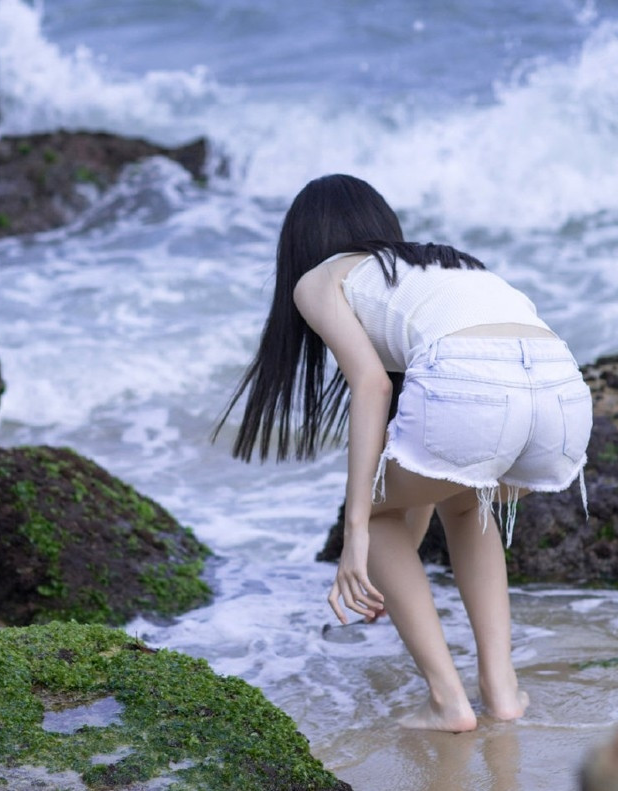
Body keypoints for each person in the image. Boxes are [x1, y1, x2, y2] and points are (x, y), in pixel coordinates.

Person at [214, 174, 593, 733]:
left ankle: (448, 702)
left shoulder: (319, 279)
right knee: (466, 503)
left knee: (379, 514)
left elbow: (373, 385)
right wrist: (394, 566)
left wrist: (359, 533)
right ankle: (502, 689)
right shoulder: (435, 265)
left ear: (301, 243)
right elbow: (424, 467)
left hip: (477, 385)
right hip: (562, 390)